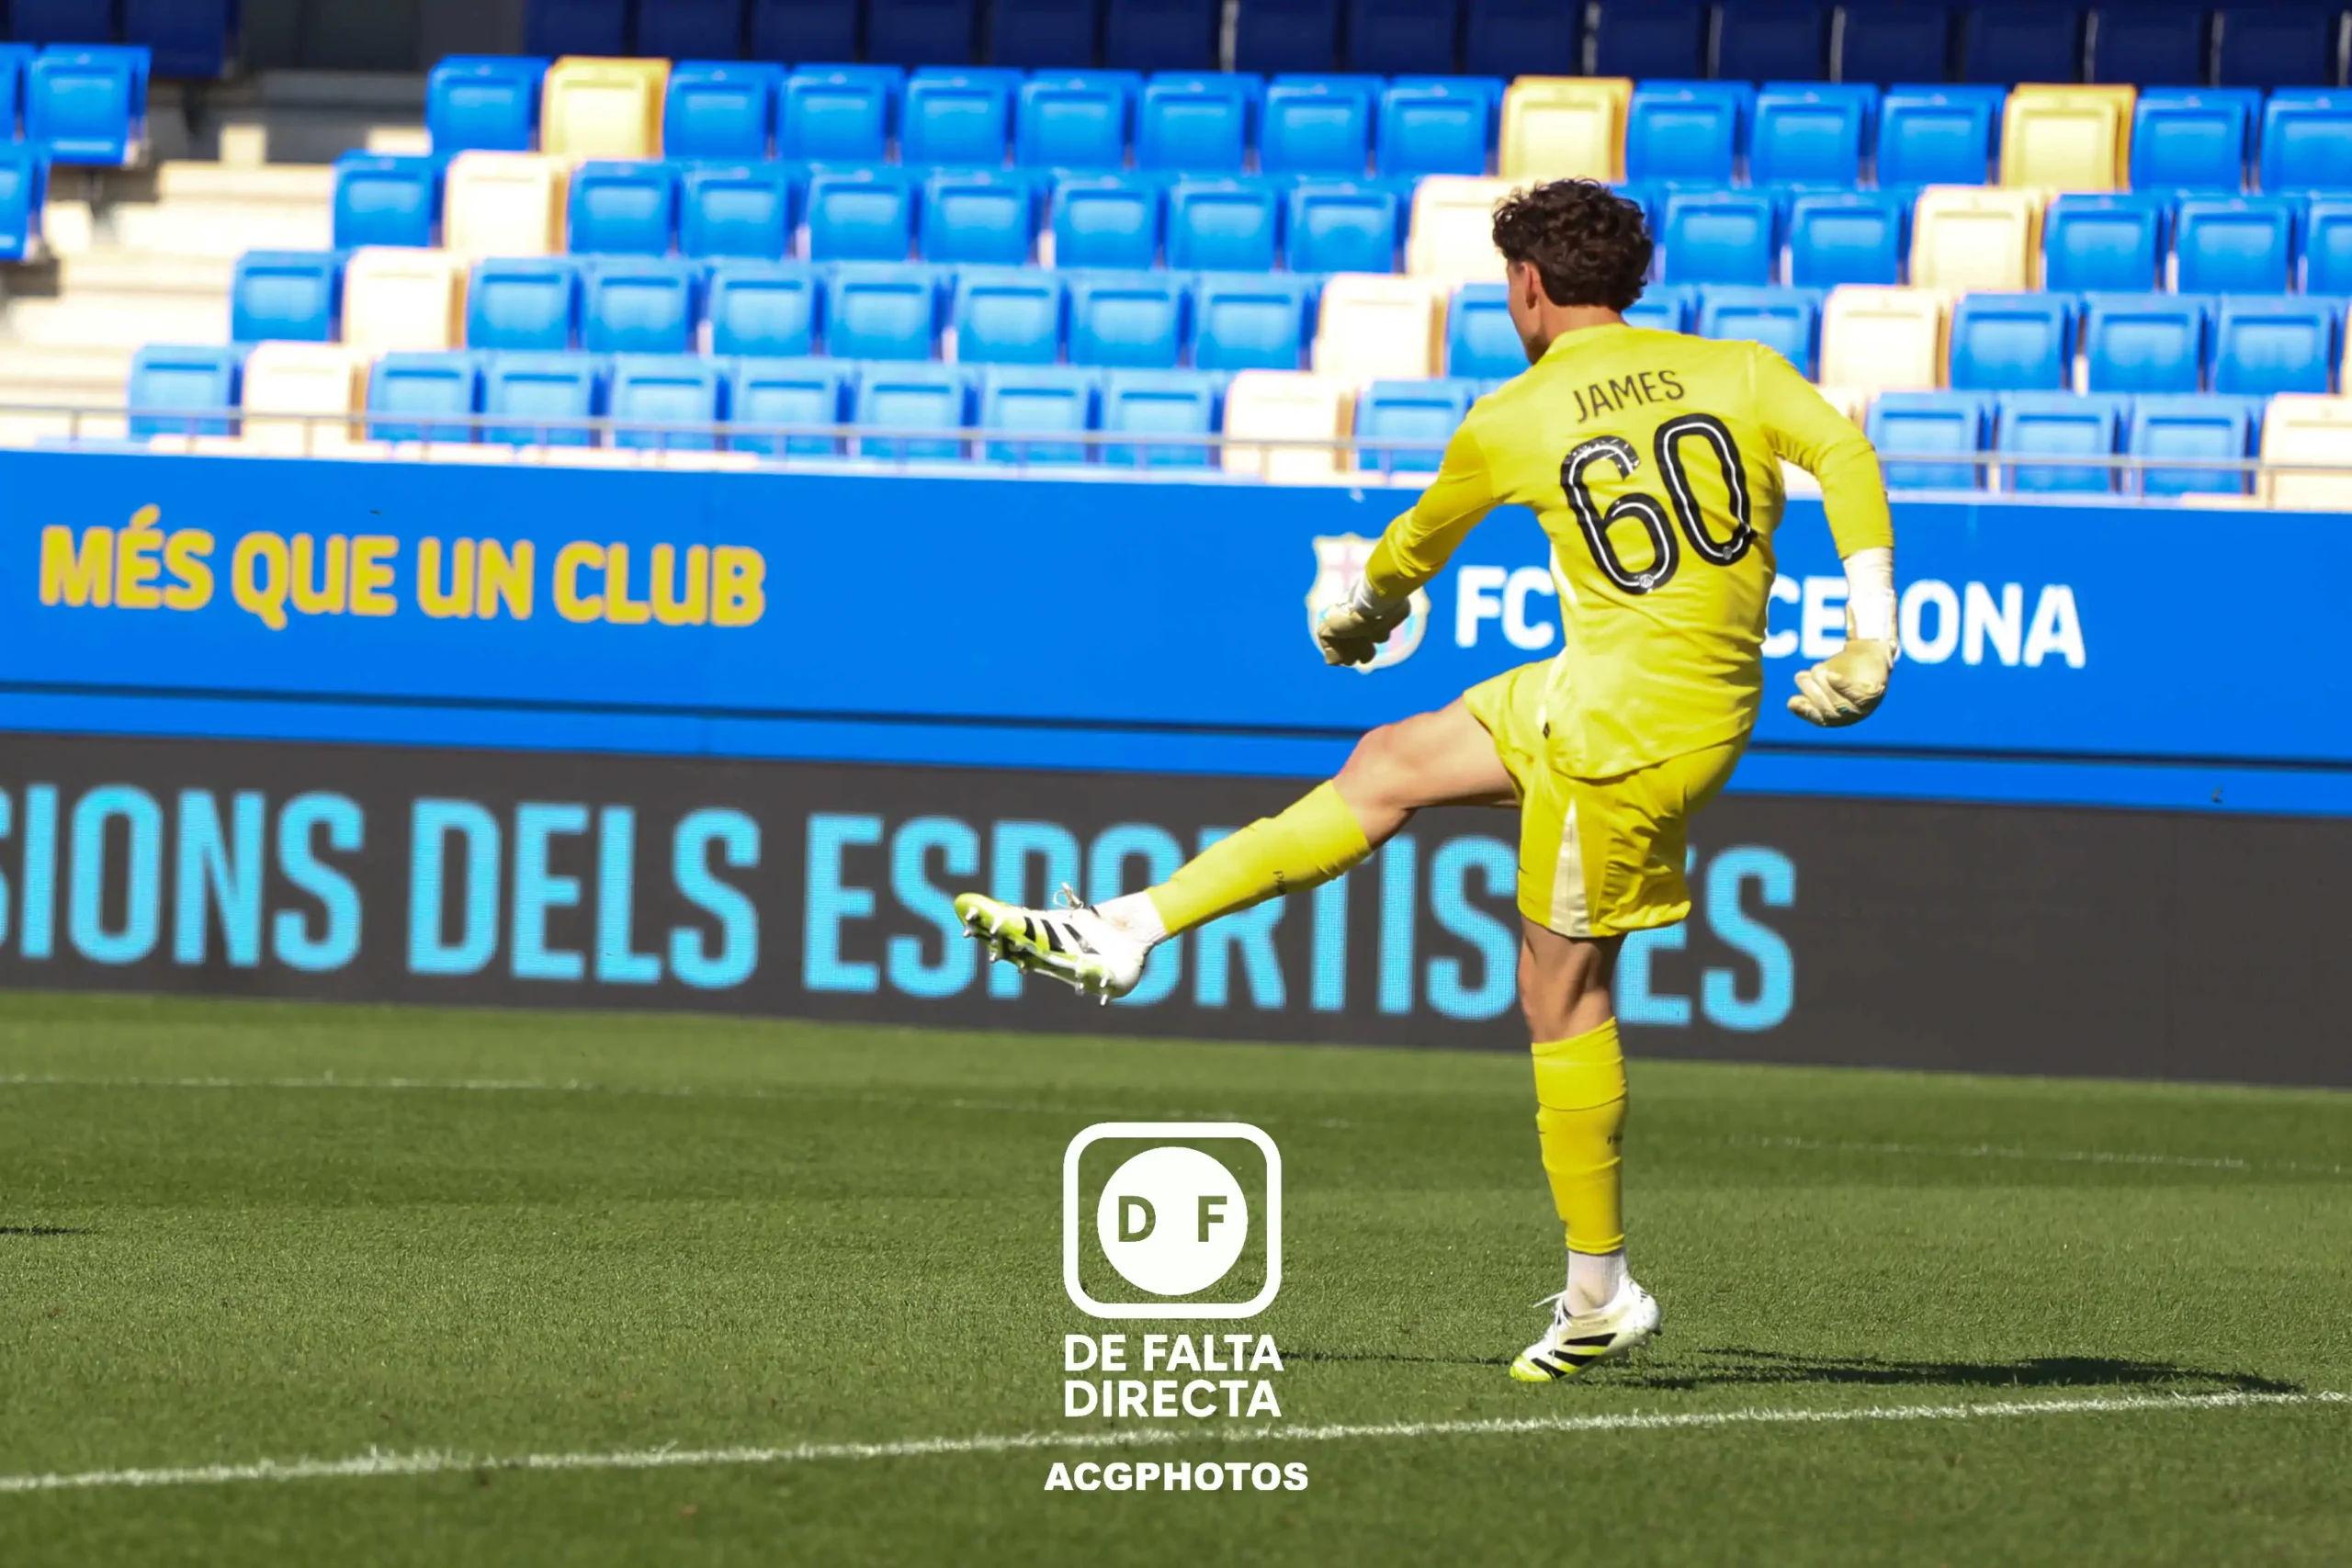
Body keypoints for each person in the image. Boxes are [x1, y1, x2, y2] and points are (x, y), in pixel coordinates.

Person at [955, 179, 1897, 1382]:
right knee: (1390, 762)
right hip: (1630, 692)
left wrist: (1361, 618)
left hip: (1619, 734)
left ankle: (1599, 1289)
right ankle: (1128, 927)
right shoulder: (1743, 370)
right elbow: (1847, 453)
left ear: (1529, 287)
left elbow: (1413, 544)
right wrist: (1872, 633)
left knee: (1561, 996)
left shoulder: (1516, 414)